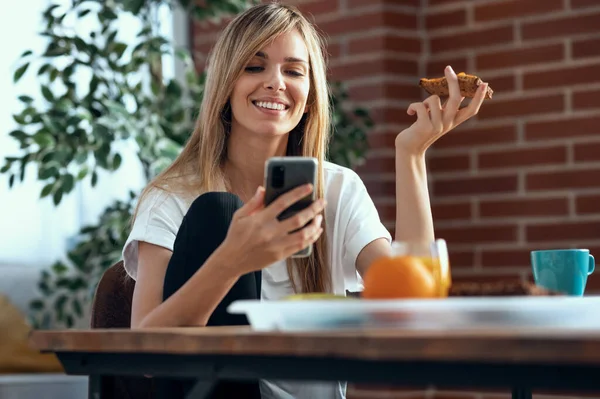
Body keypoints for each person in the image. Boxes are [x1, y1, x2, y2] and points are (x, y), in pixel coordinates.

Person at [121, 3, 487, 399]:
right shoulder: (172, 197)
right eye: (254, 66)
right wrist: (231, 261)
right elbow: (144, 354)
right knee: (217, 211)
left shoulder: (338, 189)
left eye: (294, 71)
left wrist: (411, 154)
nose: (276, 83)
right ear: (226, 83)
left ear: (310, 95)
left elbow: (410, 309)